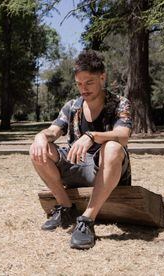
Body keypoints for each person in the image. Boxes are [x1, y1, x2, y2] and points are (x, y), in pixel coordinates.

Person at [29, 49, 132, 249]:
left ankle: (86, 221)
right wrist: (40, 136)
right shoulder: (72, 106)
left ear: (102, 77)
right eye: (79, 84)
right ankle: (66, 206)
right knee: (38, 148)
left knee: (112, 147)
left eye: (89, 82)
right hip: (76, 166)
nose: (83, 89)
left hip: (106, 169)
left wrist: (92, 136)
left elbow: (123, 135)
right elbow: (53, 130)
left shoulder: (120, 103)